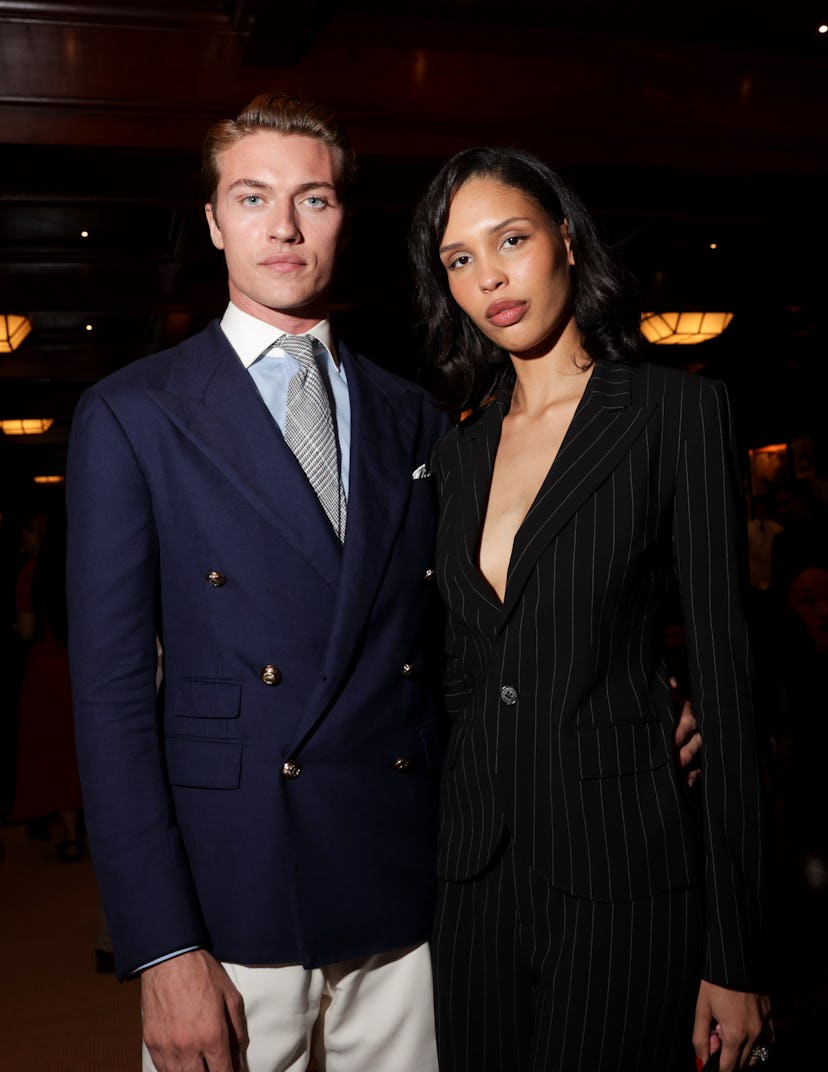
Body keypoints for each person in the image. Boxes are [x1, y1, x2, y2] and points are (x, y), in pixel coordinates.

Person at [66, 94, 447, 1072]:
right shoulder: (133, 412)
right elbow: (111, 700)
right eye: (252, 197)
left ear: (343, 219)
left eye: (313, 198)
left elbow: (457, 639)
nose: (283, 226)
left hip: (404, 883)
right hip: (231, 892)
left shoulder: (414, 414)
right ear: (212, 221)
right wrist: (161, 944)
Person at [409, 147, 771, 1072]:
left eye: (511, 240)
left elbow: (729, 690)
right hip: (475, 874)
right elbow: (461, 672)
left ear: (566, 239)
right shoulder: (456, 452)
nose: (489, 278)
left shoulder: (674, 413)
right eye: (459, 259)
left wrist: (737, 953)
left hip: (622, 867)